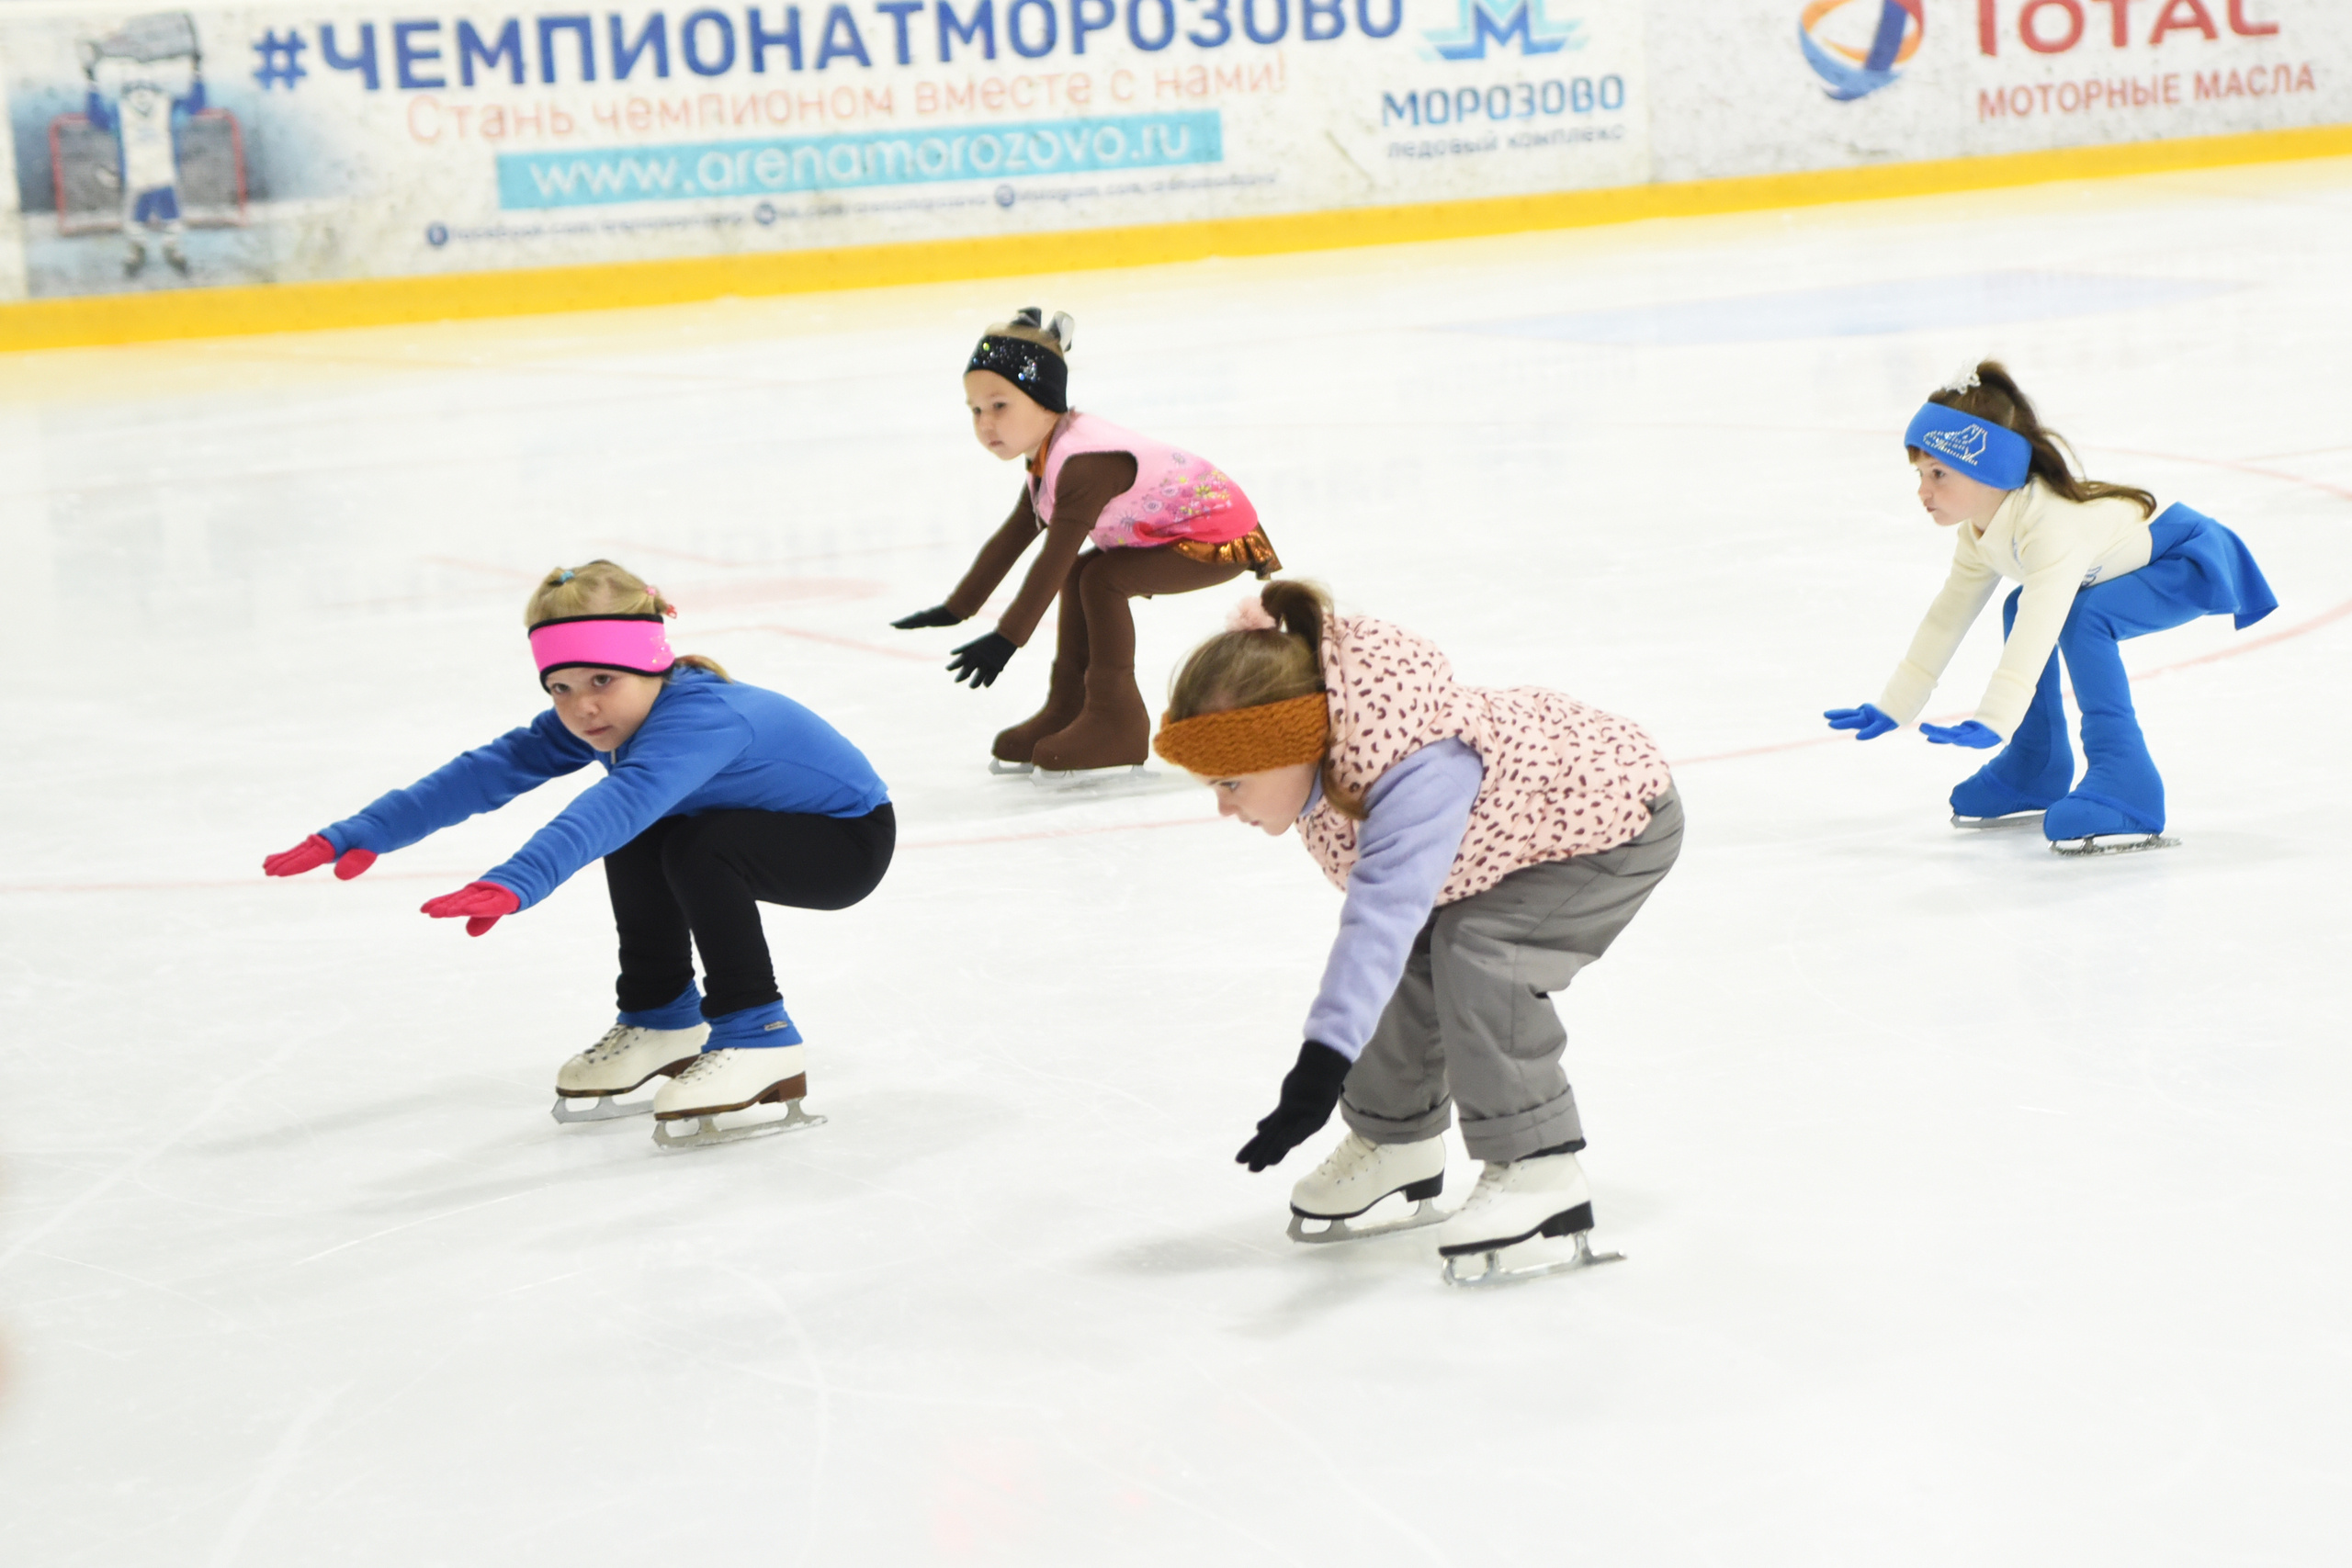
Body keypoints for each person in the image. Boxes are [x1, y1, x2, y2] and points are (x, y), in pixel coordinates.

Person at [1151, 582, 1680, 1285]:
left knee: (1481, 950)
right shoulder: (1336, 757)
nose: (1222, 806)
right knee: (1413, 952)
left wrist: (1319, 1068)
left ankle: (1540, 1165)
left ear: (1291, 746)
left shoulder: (1415, 770)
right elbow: (1387, 933)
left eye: (1233, 782)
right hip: (1510, 840)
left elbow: (1379, 919)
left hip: (1612, 828)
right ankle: (1397, 1140)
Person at [260, 561, 893, 1147]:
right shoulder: (613, 716)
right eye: (559, 687)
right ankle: (661, 1015)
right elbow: (487, 770)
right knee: (653, 831)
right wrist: (363, 830)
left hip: (844, 841)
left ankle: (759, 1032)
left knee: (693, 841)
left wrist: (520, 878)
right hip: (754, 825)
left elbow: (619, 803)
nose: (581, 706)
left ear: (650, 663)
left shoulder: (704, 717)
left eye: (601, 680)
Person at [1826, 362, 2277, 852]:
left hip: (2187, 555)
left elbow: (2045, 619)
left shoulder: (2049, 524)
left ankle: (2129, 785)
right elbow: (1948, 614)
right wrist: (1896, 704)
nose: (1923, 490)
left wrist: (1995, 717)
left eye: (1939, 472)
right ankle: (2036, 765)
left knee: (2082, 619)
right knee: (2018, 608)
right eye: (1919, 473)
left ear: (1991, 469)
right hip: (2139, 558)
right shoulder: (1978, 532)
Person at [892, 308, 1282, 775]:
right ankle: (1069, 707)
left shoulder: (1082, 464)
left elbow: (1050, 559)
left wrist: (1006, 639)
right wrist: (959, 607)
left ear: (1045, 401)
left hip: (1215, 534)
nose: (985, 423)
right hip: (1172, 530)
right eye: (976, 410)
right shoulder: (1047, 457)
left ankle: (1116, 722)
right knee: (1085, 573)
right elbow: (1017, 534)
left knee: (1100, 579)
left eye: (1000, 406)